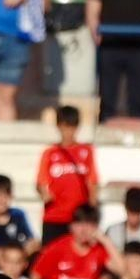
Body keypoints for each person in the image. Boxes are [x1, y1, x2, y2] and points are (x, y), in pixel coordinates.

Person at [37, 105, 99, 246]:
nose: (68, 132)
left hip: (78, 217)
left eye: (72, 127)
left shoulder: (86, 151)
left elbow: (93, 181)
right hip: (54, 216)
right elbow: (41, 181)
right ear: (59, 127)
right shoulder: (50, 153)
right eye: (65, 127)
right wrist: (44, 193)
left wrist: (92, 210)